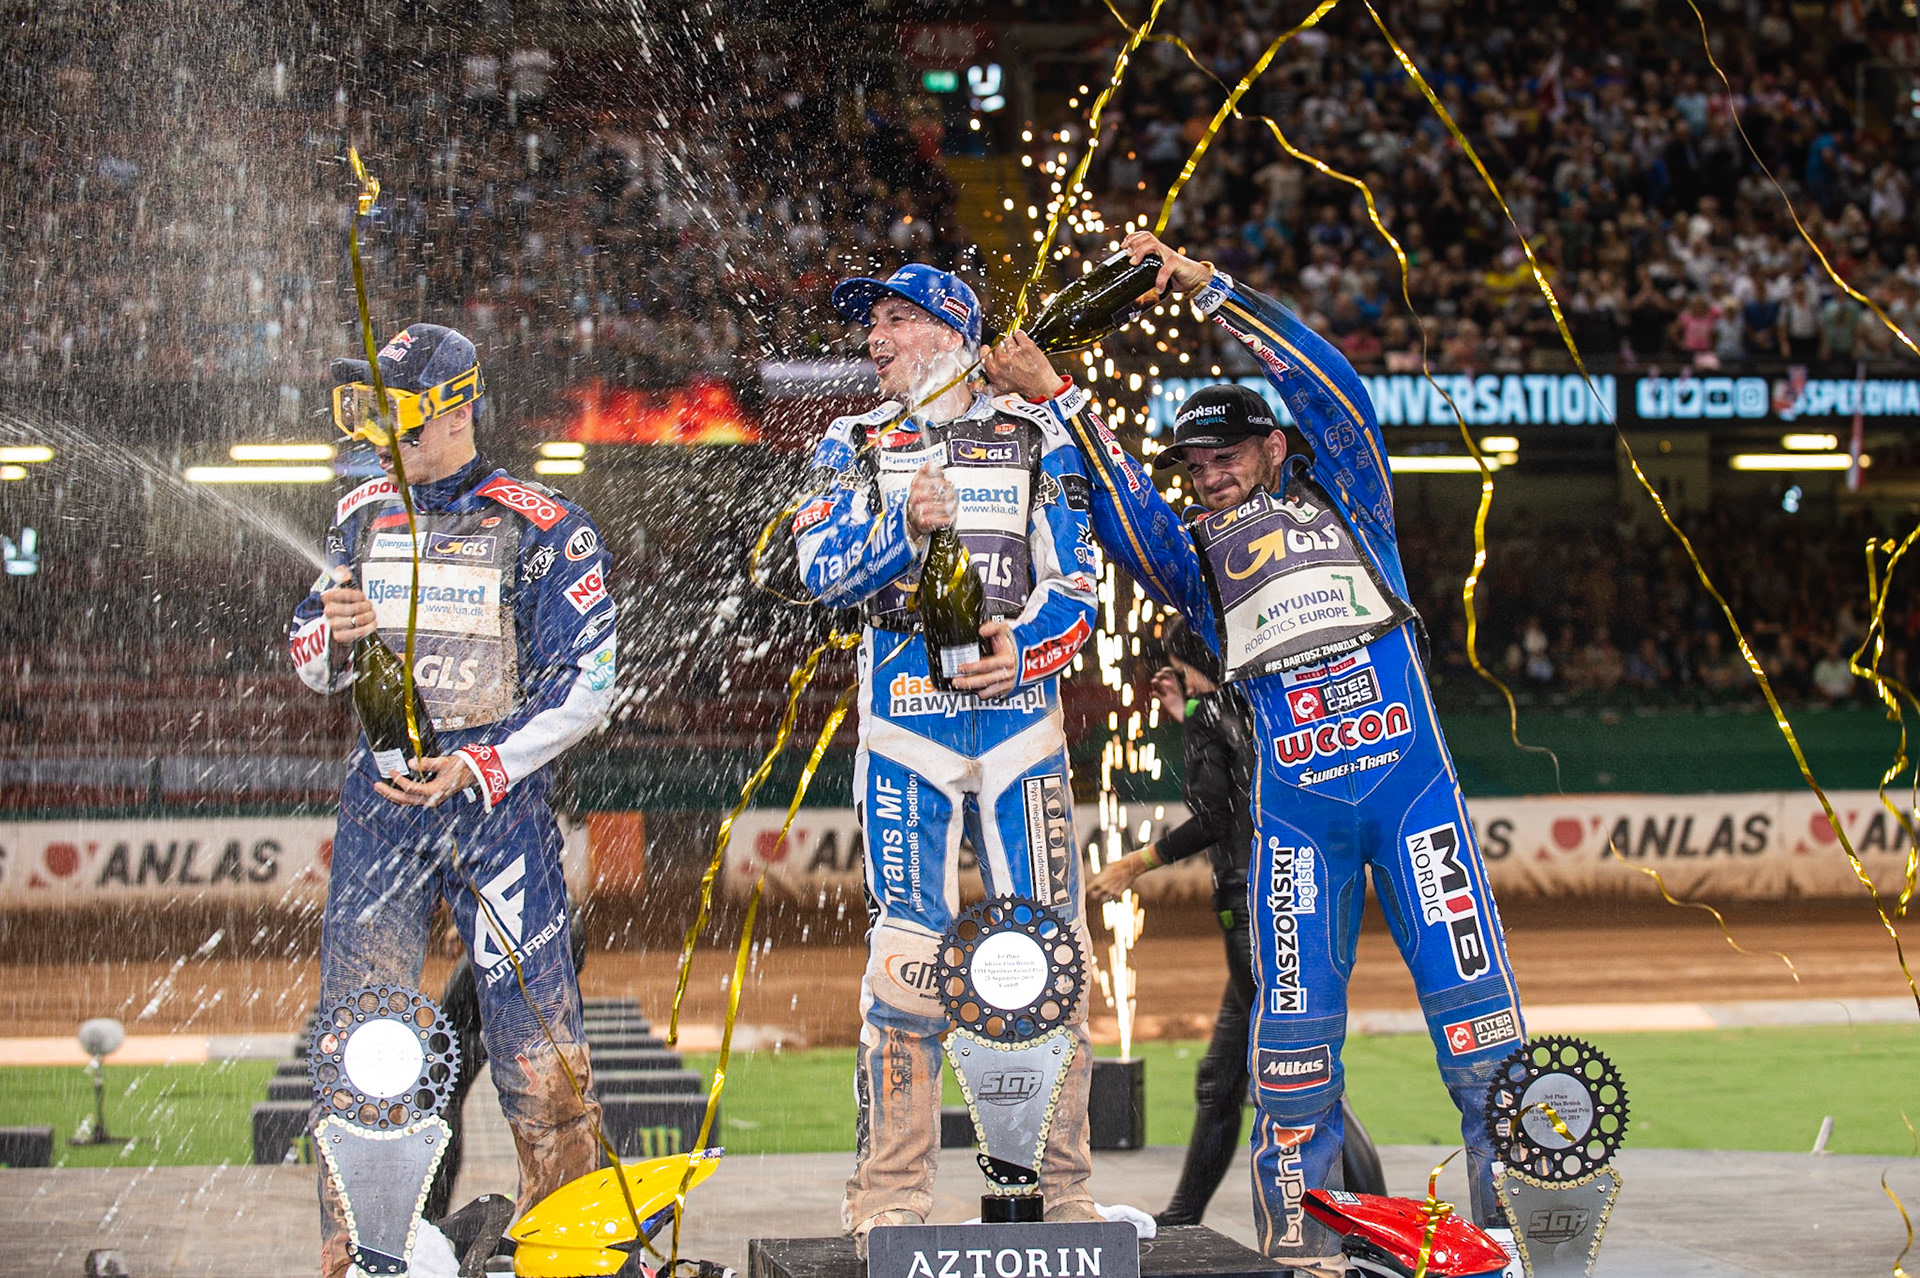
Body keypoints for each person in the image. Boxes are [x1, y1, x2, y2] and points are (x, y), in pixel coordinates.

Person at [1057, 231, 1526, 1273]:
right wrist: (1064, 402)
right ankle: (1301, 1252)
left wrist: (1209, 291)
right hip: (1298, 830)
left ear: (1274, 446)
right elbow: (1132, 521)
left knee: (1485, 1041)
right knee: (1294, 1062)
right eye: (1196, 460)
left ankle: (1520, 1236)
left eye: (1229, 450)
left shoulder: (1353, 495)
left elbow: (1340, 392)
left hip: (1417, 807)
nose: (1210, 470)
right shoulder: (1199, 564)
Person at [288, 323, 616, 1278]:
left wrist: (480, 767)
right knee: (361, 1040)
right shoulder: (361, 511)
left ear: (458, 406)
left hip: (498, 808)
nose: (385, 431)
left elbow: (589, 686)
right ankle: (359, 1249)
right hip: (381, 805)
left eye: (403, 411)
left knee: (540, 1049)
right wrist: (336, 637)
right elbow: (309, 658)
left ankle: (565, 1248)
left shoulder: (545, 521)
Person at [791, 264, 1105, 1246]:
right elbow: (821, 572)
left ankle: (1058, 1194)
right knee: (906, 960)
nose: (874, 339)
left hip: (1020, 730)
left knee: (1050, 954)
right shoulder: (850, 441)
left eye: (895, 319)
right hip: (903, 729)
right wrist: (902, 526)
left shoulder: (1037, 436)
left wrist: (1026, 648)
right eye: (870, 324)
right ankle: (890, 1199)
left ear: (955, 333)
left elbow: (1082, 585)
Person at [1090, 620, 1386, 1228]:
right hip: (1285, 902)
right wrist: (1192, 711)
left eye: (1176, 666)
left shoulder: (1209, 712)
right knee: (1221, 1080)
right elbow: (1246, 770)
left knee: (1301, 1074)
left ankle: (1376, 1216)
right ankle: (1180, 1219)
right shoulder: (1256, 698)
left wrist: (1137, 862)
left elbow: (1215, 816)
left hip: (1248, 915)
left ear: (1187, 664)